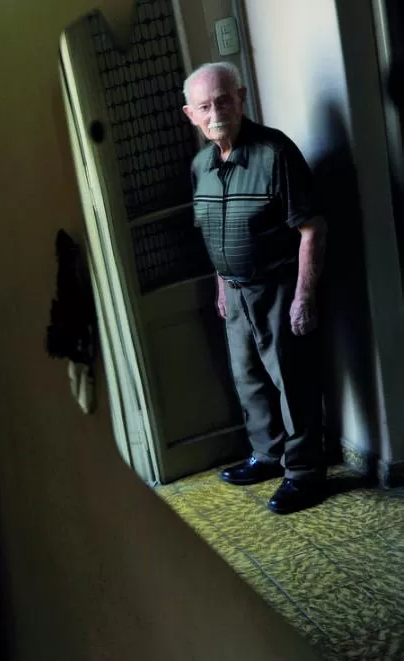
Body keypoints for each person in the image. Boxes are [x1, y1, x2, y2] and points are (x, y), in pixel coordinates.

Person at [182, 62, 328, 514]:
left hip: (278, 286)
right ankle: (268, 456)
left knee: (293, 381)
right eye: (205, 106)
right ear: (191, 114)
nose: (215, 112)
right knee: (248, 380)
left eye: (223, 100)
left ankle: (304, 475)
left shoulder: (274, 153)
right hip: (236, 290)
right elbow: (214, 234)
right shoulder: (201, 165)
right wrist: (222, 287)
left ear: (241, 97)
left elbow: (312, 228)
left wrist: (304, 296)